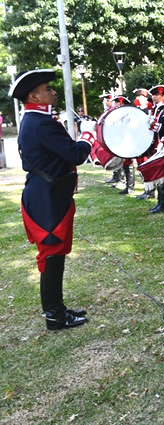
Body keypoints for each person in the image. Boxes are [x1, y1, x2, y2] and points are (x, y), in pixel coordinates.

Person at [11, 69, 92, 330]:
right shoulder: (40, 122)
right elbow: (75, 154)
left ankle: (57, 309)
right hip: (47, 196)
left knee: (55, 254)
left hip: (48, 193)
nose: (53, 91)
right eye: (47, 88)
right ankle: (55, 316)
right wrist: (88, 136)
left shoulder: (36, 119)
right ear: (34, 95)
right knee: (51, 255)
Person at [146, 84, 164, 213]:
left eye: (157, 94)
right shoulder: (157, 109)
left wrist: (155, 126)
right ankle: (160, 201)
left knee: (163, 175)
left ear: (163, 96)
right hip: (156, 145)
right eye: (153, 95)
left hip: (163, 145)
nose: (154, 97)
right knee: (158, 175)